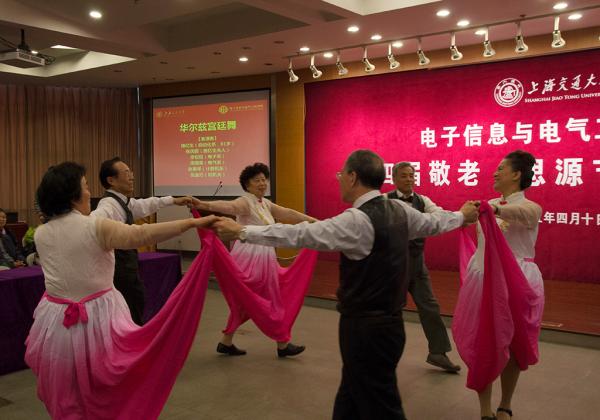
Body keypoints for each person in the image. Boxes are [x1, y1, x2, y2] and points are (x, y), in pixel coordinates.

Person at [213, 150, 479, 419]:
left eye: (341, 174)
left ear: (353, 177)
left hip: (364, 330)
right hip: (390, 326)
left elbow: (299, 234)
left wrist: (242, 231)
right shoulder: (400, 210)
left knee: (381, 403)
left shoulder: (357, 220)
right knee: (351, 396)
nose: (339, 180)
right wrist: (461, 215)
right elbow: (434, 223)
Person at [25, 161, 217, 419]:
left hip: (56, 321)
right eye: (85, 186)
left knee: (68, 383)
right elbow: (142, 235)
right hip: (97, 316)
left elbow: (139, 217)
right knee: (108, 377)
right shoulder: (95, 226)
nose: (89, 193)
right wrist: (191, 224)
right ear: (73, 195)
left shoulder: (42, 233)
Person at [452, 150, 544, 420]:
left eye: (501, 168)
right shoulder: (487, 204)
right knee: (483, 342)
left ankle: (505, 405)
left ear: (516, 174)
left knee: (513, 343)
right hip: (483, 279)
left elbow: (523, 213)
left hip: (518, 281)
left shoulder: (530, 207)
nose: (495, 172)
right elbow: (464, 218)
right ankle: (485, 409)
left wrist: (495, 210)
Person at [192, 162, 317, 357]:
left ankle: (227, 342)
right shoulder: (245, 201)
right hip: (250, 257)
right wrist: (202, 204)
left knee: (246, 301)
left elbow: (288, 213)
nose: (262, 183)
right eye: (257, 180)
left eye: (264, 180)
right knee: (269, 299)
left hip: (264, 256)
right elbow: (228, 206)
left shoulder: (265, 203)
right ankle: (282, 343)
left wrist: (313, 221)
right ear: (247, 184)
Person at [91, 157, 192, 325]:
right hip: (120, 271)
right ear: (111, 180)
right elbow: (93, 222)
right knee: (131, 311)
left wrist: (174, 200)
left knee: (136, 305)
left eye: (131, 172)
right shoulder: (108, 205)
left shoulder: (122, 202)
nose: (131, 177)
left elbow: (145, 204)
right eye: (126, 173)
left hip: (127, 269)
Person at [386, 162, 461, 372]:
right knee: (389, 311)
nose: (409, 179)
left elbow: (439, 214)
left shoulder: (423, 200)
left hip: (417, 264)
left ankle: (438, 352)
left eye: (412, 175)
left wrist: (458, 218)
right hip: (393, 265)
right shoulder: (384, 201)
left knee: (430, 307)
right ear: (394, 178)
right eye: (404, 176)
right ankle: (383, 353)